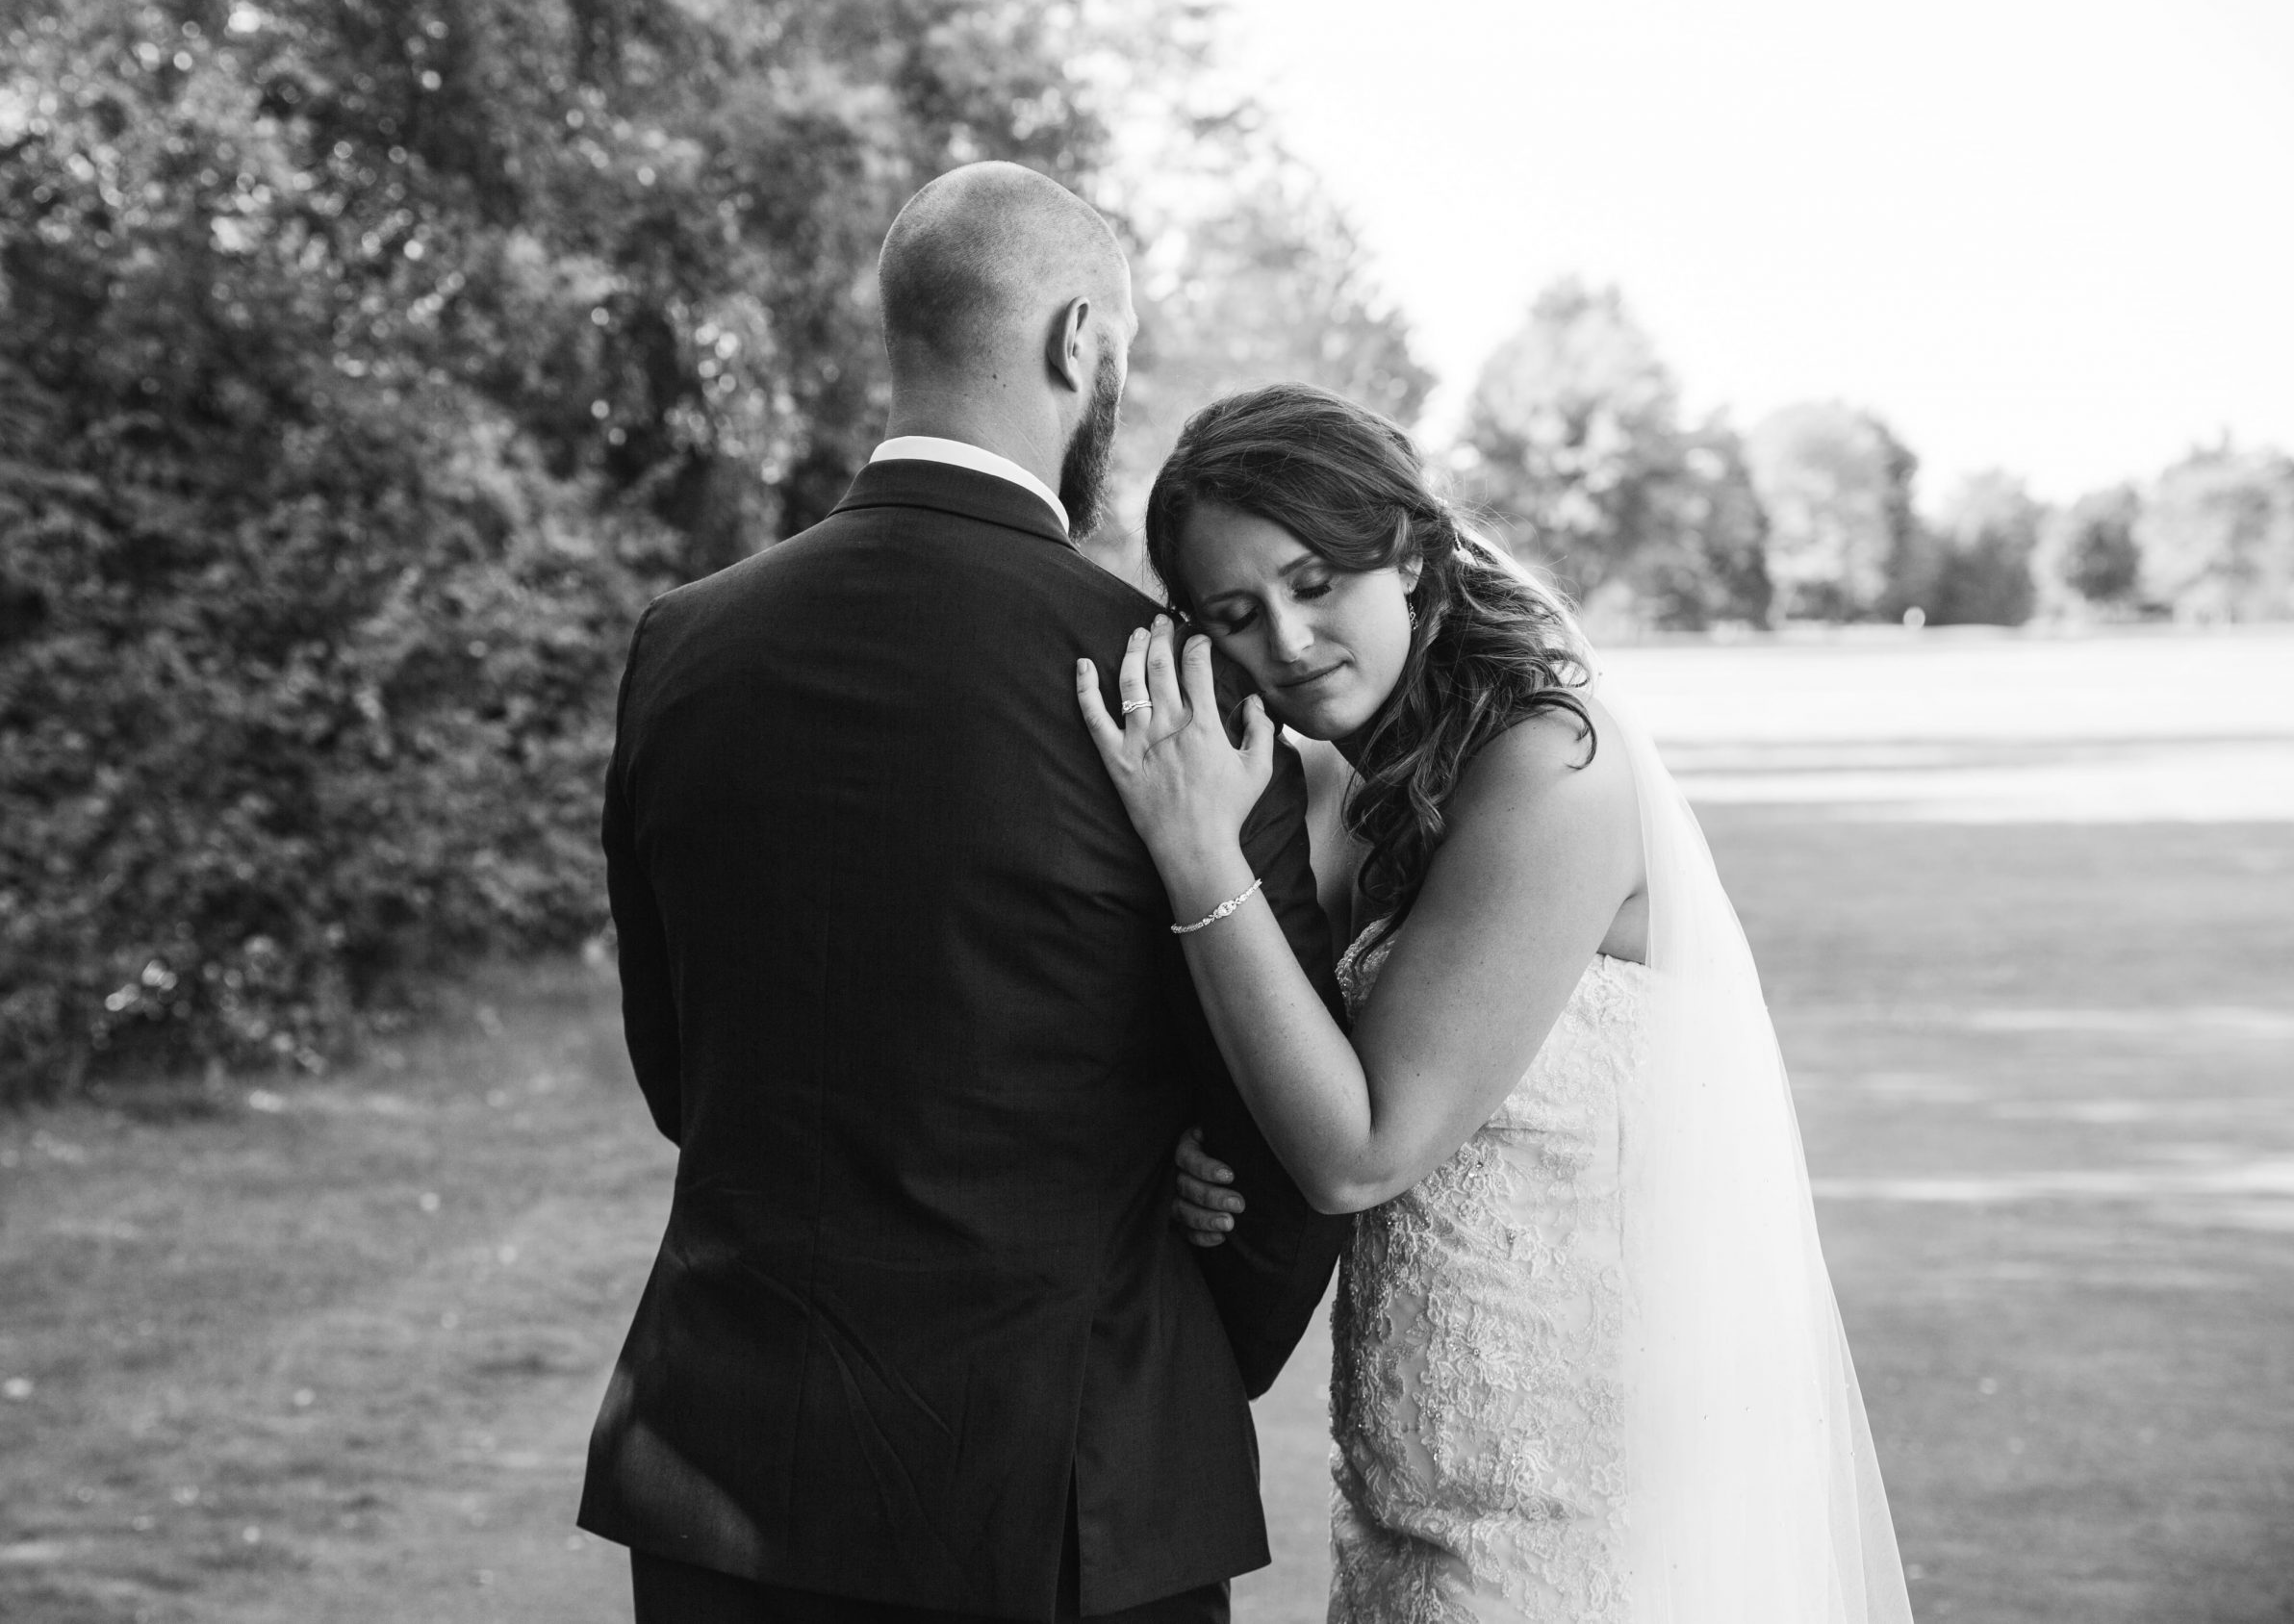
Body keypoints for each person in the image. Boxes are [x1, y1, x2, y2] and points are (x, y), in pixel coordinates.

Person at [580, 165, 1351, 1624]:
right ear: (1081, 344)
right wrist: (1185, 1346)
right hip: (1068, 1494)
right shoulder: (1166, 679)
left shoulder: (683, 646)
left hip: (726, 1480)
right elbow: (1282, 1133)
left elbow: (684, 1070)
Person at [1076, 384, 1912, 1624]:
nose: (1288, 647)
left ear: (1408, 557)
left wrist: (1200, 854)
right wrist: (1211, 1152)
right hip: (1410, 1487)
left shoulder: (1551, 769)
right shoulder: (1334, 800)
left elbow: (1364, 1149)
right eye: (1236, 617)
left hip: (1579, 1497)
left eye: (1316, 584)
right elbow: (1309, 1086)